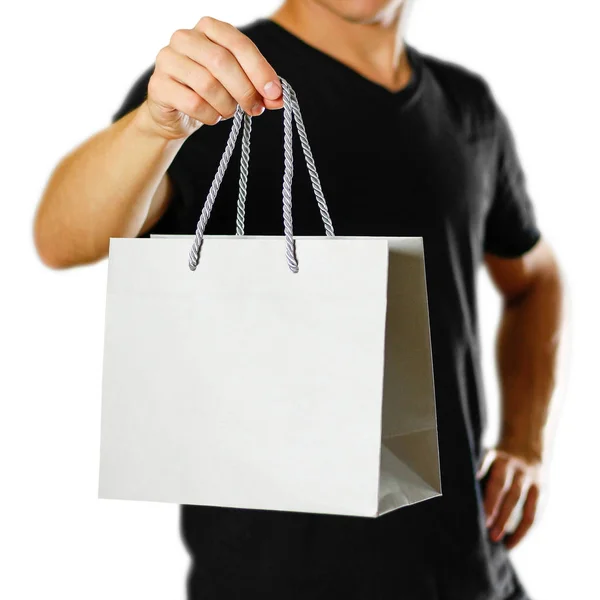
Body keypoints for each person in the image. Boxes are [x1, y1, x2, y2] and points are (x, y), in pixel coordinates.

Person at [33, 0, 563, 598]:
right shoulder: (216, 79)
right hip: (273, 581)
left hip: (467, 569)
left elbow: (535, 277)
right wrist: (154, 126)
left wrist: (526, 440)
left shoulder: (468, 108)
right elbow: (59, 237)